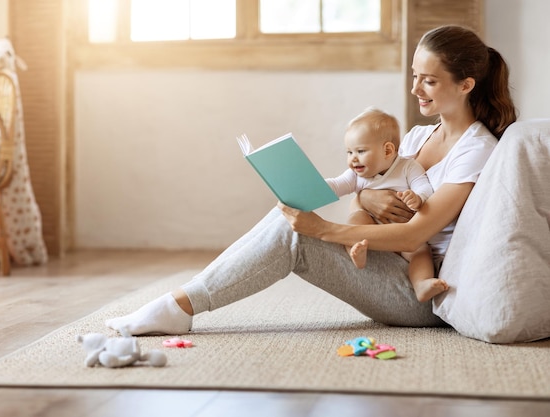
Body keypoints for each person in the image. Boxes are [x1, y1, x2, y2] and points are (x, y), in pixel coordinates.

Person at [106, 25, 517, 337]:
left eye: (429, 80)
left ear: (466, 85)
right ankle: (181, 302)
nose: (415, 89)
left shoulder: (475, 149)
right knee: (290, 216)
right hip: (383, 258)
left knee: (298, 234)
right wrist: (367, 203)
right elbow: (365, 199)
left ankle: (180, 307)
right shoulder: (415, 138)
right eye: (415, 76)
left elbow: (417, 235)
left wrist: (324, 228)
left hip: (420, 292)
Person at [325, 107, 447, 302]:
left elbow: (425, 188)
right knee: (356, 218)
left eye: (360, 151)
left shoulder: (407, 167)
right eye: (349, 152)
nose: (352, 159)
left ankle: (422, 283)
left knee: (421, 251)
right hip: (372, 236)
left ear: (388, 150)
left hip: (402, 234)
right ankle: (357, 253)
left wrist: (417, 198)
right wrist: (312, 186)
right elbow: (335, 186)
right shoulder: (356, 175)